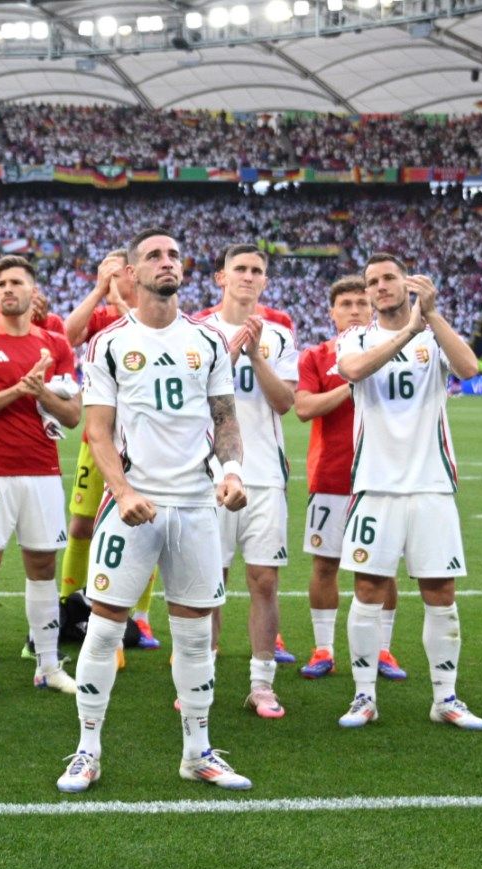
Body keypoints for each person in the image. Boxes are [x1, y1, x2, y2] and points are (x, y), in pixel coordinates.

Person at [56, 227, 250, 795]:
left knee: (194, 635)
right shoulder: (109, 344)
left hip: (195, 506)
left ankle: (197, 752)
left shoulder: (207, 341)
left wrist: (232, 472)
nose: (168, 262)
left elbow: (225, 418)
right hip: (132, 507)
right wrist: (122, 491)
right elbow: (97, 431)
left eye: (174, 255)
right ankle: (87, 750)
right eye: (155, 255)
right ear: (132, 273)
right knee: (103, 630)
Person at [333, 253, 482, 732]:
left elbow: (469, 367)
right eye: (372, 281)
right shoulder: (356, 336)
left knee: (440, 591)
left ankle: (446, 698)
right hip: (375, 485)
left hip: (431, 485)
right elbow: (353, 370)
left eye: (389, 279)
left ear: (408, 283)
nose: (380, 287)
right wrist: (408, 333)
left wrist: (432, 317)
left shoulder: (434, 332)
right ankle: (364, 696)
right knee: (367, 590)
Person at [0, 255, 81, 698]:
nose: (8, 289)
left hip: (43, 470)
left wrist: (41, 391)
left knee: (43, 566)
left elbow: (73, 415)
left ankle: (47, 664)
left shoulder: (55, 345)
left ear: (33, 291)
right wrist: (16, 390)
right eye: (1, 283)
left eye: (16, 282)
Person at [200, 245, 298, 717]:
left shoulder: (279, 335)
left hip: (264, 476)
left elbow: (285, 403)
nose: (247, 276)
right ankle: (201, 675)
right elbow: (192, 400)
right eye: (239, 268)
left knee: (264, 580)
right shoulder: (197, 332)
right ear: (221, 277)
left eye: (256, 270)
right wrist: (231, 351)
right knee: (207, 581)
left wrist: (257, 356)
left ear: (265, 281)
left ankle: (262, 683)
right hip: (209, 475)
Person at [293, 275, 406, 682]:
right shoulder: (316, 356)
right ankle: (323, 648)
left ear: (373, 308)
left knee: (382, 567)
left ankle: (383, 649)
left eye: (362, 303)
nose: (355, 310)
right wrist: (350, 385)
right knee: (325, 564)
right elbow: (304, 408)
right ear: (332, 312)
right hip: (331, 476)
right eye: (346, 304)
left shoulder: (392, 352)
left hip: (382, 478)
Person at [61, 249, 159, 650]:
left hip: (143, 442)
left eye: (117, 273)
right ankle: (67, 607)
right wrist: (99, 290)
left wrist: (119, 301)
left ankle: (142, 617)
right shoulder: (100, 316)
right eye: (106, 274)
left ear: (134, 275)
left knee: (146, 526)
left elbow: (146, 340)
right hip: (98, 439)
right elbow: (67, 337)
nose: (112, 280)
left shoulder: (154, 314)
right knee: (81, 525)